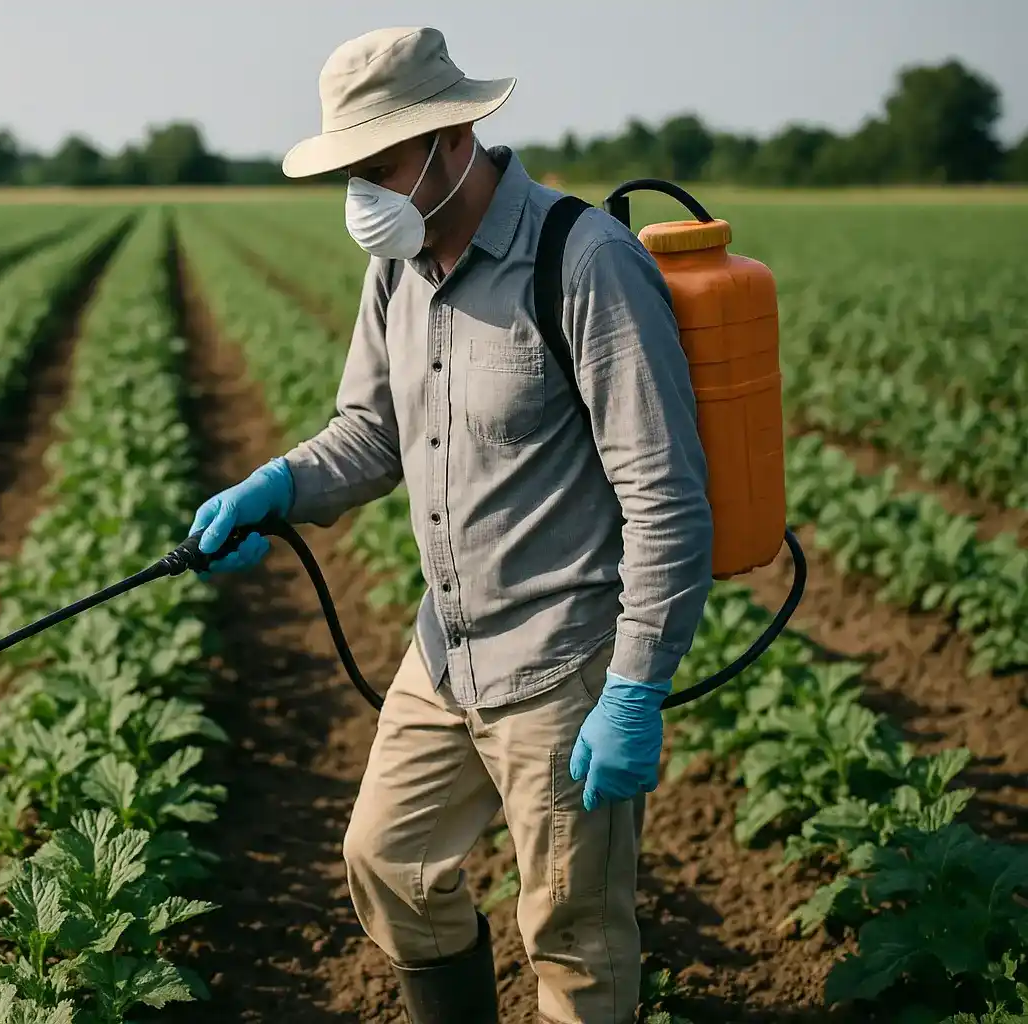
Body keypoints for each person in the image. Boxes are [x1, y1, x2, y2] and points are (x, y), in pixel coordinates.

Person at [187, 25, 714, 1024]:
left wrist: (637, 685)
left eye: (378, 164)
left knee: (575, 941)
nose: (362, 196)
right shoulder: (397, 267)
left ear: (454, 135)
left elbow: (667, 499)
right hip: (446, 648)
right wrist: (277, 485)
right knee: (386, 863)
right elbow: (371, 435)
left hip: (562, 666)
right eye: (348, 171)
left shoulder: (585, 263)